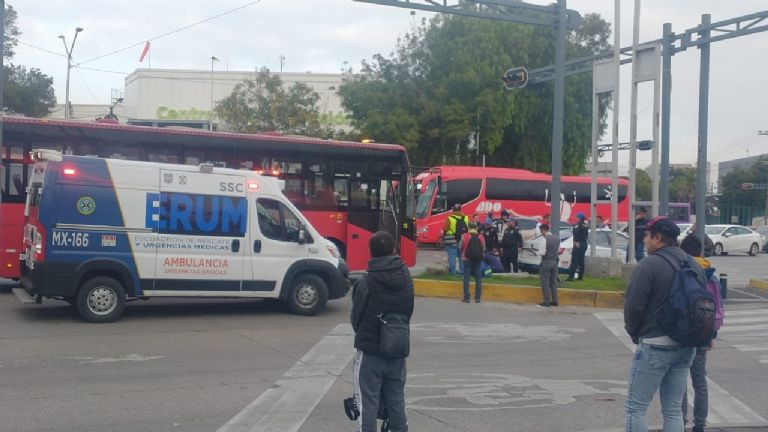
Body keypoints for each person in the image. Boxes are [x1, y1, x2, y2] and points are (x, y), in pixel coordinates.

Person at [624, 216, 704, 432]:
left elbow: (633, 306)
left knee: (636, 408)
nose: (644, 241)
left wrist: (635, 333)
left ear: (658, 238)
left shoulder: (649, 265)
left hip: (655, 343)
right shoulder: (694, 264)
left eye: (647, 236)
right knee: (673, 408)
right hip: (686, 346)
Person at [350, 231, 414, 432]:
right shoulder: (406, 277)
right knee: (396, 400)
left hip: (370, 353)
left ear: (371, 252)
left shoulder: (366, 281)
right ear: (394, 250)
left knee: (368, 403)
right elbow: (407, 310)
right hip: (397, 348)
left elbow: (356, 317)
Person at [679, 234, 724, 432]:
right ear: (700, 251)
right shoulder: (710, 273)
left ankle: (679, 421)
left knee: (679, 379)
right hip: (703, 333)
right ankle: (700, 425)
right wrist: (712, 334)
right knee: (699, 380)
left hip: (683, 332)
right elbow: (717, 308)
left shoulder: (683, 270)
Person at [459, 221, 486, 303]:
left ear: (469, 228)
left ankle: (466, 298)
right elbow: (484, 248)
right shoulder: (481, 237)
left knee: (466, 278)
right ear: (476, 228)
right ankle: (477, 298)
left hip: (467, 259)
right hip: (478, 260)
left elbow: (460, 246)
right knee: (478, 279)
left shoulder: (465, 236)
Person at [441, 204, 468, 276]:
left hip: (451, 241)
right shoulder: (465, 217)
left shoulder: (450, 218)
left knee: (452, 257)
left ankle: (453, 273)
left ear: (453, 210)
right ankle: (462, 272)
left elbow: (445, 229)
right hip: (462, 240)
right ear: (460, 209)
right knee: (461, 257)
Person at [537, 223, 559, 307]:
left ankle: (546, 301)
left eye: (540, 231)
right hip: (554, 262)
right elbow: (558, 251)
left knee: (545, 282)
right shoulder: (557, 238)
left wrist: (537, 253)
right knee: (553, 282)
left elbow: (542, 252)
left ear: (543, 230)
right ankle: (555, 301)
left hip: (546, 262)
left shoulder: (544, 239)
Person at [567, 212, 588, 281]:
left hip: (578, 244)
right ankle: (580, 277)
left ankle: (571, 277)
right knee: (581, 261)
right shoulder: (585, 225)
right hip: (584, 244)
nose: (575, 218)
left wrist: (576, 241)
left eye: (576, 217)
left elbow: (576, 233)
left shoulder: (578, 225)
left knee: (574, 261)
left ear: (579, 218)